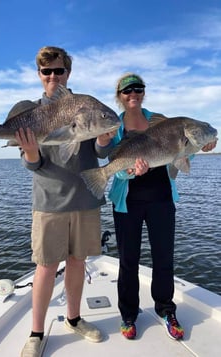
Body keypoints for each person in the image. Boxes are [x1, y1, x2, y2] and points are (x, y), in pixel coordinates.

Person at [99, 73, 217, 341]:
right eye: (127, 90)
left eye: (138, 88)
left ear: (143, 92)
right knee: (128, 262)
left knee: (164, 259)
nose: (133, 94)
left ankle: (166, 309)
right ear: (119, 95)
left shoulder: (161, 119)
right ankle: (128, 314)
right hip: (127, 203)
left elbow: (180, 156)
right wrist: (131, 172)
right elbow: (116, 168)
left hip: (162, 199)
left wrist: (201, 145)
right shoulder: (113, 127)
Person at [15, 46, 111, 357]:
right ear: (40, 76)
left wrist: (103, 139)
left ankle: (74, 318)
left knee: (78, 263)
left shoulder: (85, 106)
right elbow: (33, 164)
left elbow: (99, 153)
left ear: (68, 73)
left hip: (86, 200)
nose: (54, 76)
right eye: (48, 72)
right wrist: (30, 152)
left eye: (60, 70)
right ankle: (36, 333)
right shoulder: (30, 112)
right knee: (45, 267)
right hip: (49, 202)